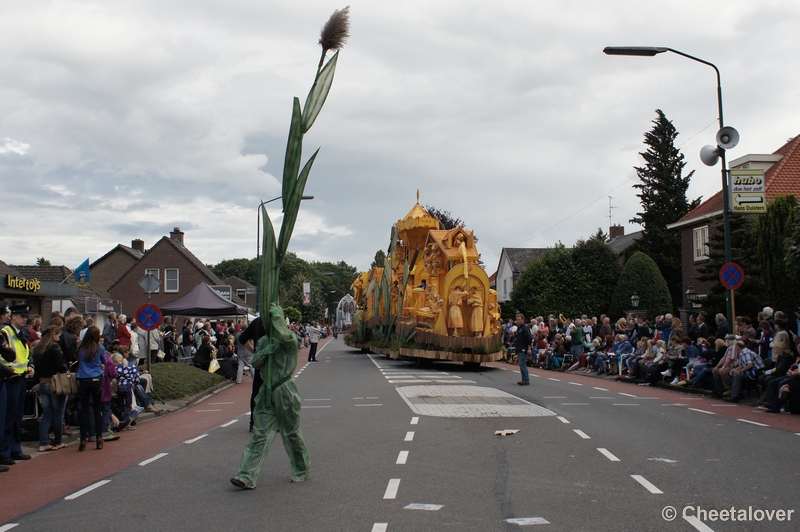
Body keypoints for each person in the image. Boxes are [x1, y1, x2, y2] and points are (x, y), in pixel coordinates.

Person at [231, 305, 310, 489]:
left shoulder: (288, 338)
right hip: (267, 392)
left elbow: (286, 338)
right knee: (260, 434)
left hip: (285, 390)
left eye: (274, 320)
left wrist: (278, 321)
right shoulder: (264, 341)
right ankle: (246, 475)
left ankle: (301, 469)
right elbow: (256, 361)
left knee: (291, 434)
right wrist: (266, 350)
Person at [0, 305, 35, 466]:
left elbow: (25, 354)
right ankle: (5, 451)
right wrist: (10, 371)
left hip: (21, 378)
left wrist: (30, 366)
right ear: (12, 316)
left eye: (25, 316)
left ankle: (15, 449)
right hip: (10, 379)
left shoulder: (22, 333)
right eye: (21, 316)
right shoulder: (5, 332)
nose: (24, 319)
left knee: (17, 417)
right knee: (9, 416)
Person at [32, 326, 69, 452]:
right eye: (57, 335)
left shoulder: (38, 348)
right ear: (53, 334)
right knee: (58, 413)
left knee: (46, 413)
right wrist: (66, 369)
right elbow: (59, 366)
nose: (58, 339)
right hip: (54, 384)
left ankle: (43, 442)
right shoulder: (54, 348)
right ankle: (58, 441)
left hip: (43, 383)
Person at [76, 326, 106, 451]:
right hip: (96, 379)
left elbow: (78, 361)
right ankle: (99, 437)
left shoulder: (81, 348)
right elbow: (104, 361)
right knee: (97, 408)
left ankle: (83, 438)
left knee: (84, 408)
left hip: (83, 379)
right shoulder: (99, 348)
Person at [514, 314, 532, 385]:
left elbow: (529, 338)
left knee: (522, 363)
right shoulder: (519, 328)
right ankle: (525, 378)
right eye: (517, 319)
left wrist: (529, 348)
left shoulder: (525, 328)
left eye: (519, 319)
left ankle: (525, 379)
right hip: (519, 348)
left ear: (523, 319)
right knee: (521, 363)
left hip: (523, 348)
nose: (517, 321)